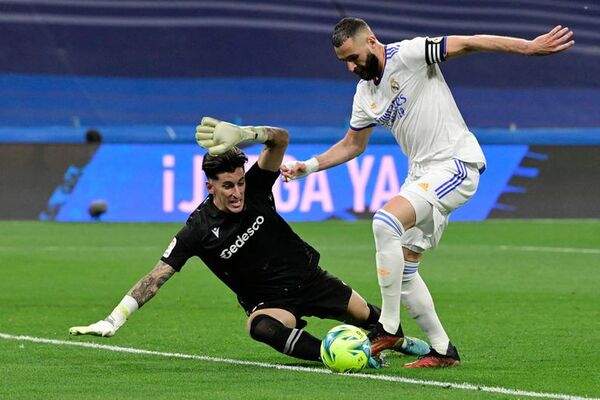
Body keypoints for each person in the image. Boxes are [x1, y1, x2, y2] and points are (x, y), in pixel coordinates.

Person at [280, 18, 574, 368]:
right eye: (345, 61)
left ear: (372, 41)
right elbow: (352, 144)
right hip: (421, 175)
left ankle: (387, 327)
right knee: (403, 270)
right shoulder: (365, 94)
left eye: (354, 57)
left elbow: (470, 40)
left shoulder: (410, 53)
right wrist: (309, 166)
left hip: (455, 164)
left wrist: (527, 46)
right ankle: (442, 350)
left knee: (384, 222)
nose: (351, 66)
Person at [69, 117, 430, 366]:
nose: (238, 191)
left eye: (240, 182)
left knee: (379, 324)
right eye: (228, 185)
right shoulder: (197, 229)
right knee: (260, 327)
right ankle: (334, 354)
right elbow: (156, 277)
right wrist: (113, 320)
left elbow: (280, 139)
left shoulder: (256, 185)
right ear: (209, 187)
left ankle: (421, 347)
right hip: (270, 301)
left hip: (310, 278)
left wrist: (245, 134)